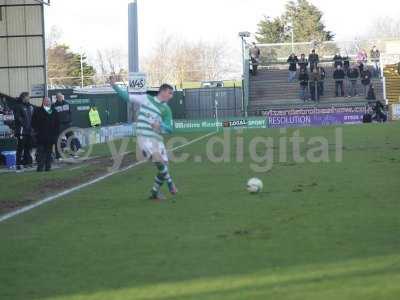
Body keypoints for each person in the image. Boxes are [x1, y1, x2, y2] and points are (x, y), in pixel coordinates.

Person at [111, 77, 178, 201]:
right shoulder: (146, 98)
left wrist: (161, 125)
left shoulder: (166, 110)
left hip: (157, 139)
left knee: (165, 166)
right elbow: (127, 97)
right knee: (158, 161)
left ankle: (154, 192)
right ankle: (170, 184)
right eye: (170, 93)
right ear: (162, 91)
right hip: (144, 137)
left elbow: (170, 129)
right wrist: (114, 86)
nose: (171, 96)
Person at [32, 97, 60, 172]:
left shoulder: (54, 111)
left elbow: (57, 124)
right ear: (43, 102)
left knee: (49, 152)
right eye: (46, 101)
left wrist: (55, 134)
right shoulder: (37, 111)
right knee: (40, 152)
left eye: (49, 101)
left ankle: (48, 167)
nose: (48, 102)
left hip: (50, 136)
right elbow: (33, 123)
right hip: (41, 136)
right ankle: (40, 167)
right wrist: (36, 132)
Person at [53, 93, 81, 160]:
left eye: (61, 96)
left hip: (67, 124)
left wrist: (70, 121)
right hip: (59, 125)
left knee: (71, 139)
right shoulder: (53, 105)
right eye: (58, 97)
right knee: (58, 140)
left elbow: (70, 113)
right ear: (56, 98)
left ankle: (73, 153)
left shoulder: (67, 104)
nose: (60, 98)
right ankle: (58, 156)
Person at [13, 92, 34, 170]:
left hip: (29, 131)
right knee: (20, 148)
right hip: (21, 131)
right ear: (24, 97)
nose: (29, 98)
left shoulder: (31, 107)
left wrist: (32, 127)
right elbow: (18, 118)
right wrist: (24, 125)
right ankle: (18, 165)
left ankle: (27, 163)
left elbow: (33, 118)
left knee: (28, 148)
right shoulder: (18, 106)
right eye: (28, 97)